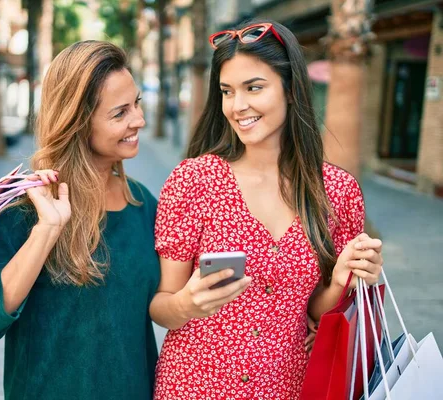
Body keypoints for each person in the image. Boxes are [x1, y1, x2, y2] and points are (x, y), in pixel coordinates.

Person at [149, 19, 384, 399]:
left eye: (254, 88)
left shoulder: (337, 192)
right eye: (227, 91)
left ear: (290, 90)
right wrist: (186, 304)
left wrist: (342, 277)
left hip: (289, 387)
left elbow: (318, 315)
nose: (238, 106)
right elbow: (162, 306)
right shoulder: (195, 181)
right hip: (195, 385)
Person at [0, 41, 160, 399]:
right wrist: (46, 231)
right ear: (78, 123)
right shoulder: (25, 207)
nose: (139, 120)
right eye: (120, 113)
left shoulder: (144, 204)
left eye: (137, 104)